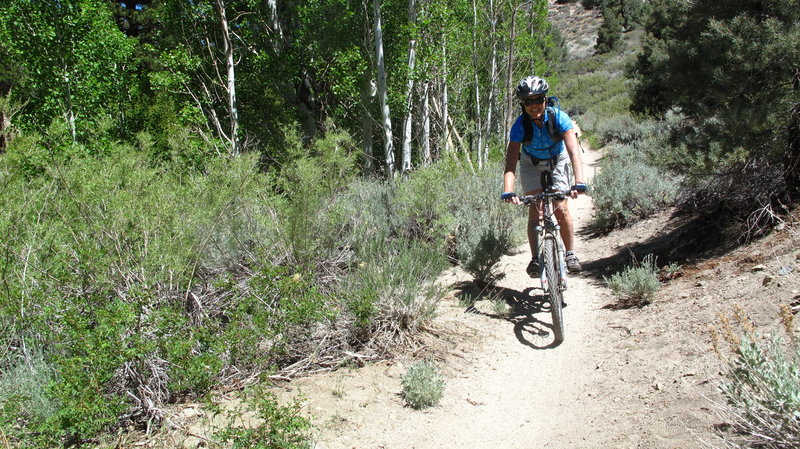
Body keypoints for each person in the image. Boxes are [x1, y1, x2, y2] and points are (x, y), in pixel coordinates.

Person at [501, 76, 586, 276]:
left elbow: (573, 151)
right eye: (528, 101)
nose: (534, 105)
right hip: (531, 163)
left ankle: (570, 254)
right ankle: (534, 259)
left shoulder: (559, 117)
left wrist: (579, 182)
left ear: (545, 100)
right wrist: (508, 190)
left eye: (538, 99)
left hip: (557, 159)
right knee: (535, 210)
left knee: (561, 207)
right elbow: (511, 162)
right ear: (523, 104)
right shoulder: (520, 126)